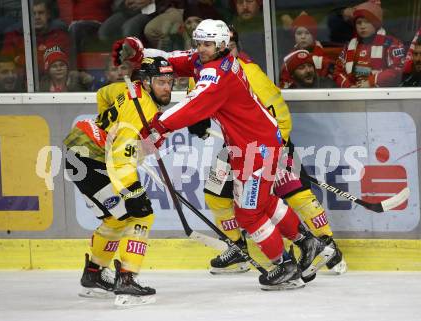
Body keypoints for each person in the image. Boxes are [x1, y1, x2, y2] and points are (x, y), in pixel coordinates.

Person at [113, 20, 336, 290]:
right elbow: (172, 60)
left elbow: (192, 105)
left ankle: (284, 265)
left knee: (249, 215)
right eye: (199, 43)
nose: (201, 49)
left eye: (207, 44)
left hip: (257, 148)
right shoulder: (209, 60)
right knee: (263, 203)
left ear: (220, 44)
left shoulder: (216, 75)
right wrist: (138, 54)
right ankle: (307, 242)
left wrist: (158, 127)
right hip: (251, 144)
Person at [188, 28, 344, 276]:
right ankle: (238, 249)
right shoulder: (202, 69)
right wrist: (198, 121)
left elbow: (279, 111)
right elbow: (197, 102)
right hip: (234, 145)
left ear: (230, 47)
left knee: (294, 194)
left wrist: (278, 146)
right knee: (215, 194)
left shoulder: (249, 72)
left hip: (270, 143)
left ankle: (328, 246)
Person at [63, 55, 174, 306]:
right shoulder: (141, 109)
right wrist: (133, 194)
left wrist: (107, 126)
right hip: (92, 160)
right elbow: (120, 160)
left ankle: (93, 276)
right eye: (161, 82)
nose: (167, 87)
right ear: (146, 82)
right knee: (141, 214)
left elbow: (103, 94)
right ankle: (126, 280)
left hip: (81, 152)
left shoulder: (129, 88)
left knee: (116, 218)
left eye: (170, 81)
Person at [333, 1, 406, 88]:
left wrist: (371, 82)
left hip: (383, 95)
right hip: (354, 93)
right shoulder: (349, 46)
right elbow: (337, 72)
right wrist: (349, 87)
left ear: (376, 24)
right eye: (359, 22)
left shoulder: (392, 44)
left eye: (367, 22)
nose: (362, 26)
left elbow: (397, 70)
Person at [1, 0, 70, 76]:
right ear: (26, 16)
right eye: (33, 14)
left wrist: (21, 59)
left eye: (41, 13)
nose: (37, 17)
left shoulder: (60, 35)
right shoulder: (14, 36)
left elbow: (64, 65)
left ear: (48, 14)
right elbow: (6, 65)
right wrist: (46, 60)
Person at [279, 13, 333, 89]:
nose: (303, 37)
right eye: (299, 33)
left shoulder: (324, 59)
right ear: (294, 36)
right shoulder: (288, 60)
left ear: (313, 35)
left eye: (307, 33)